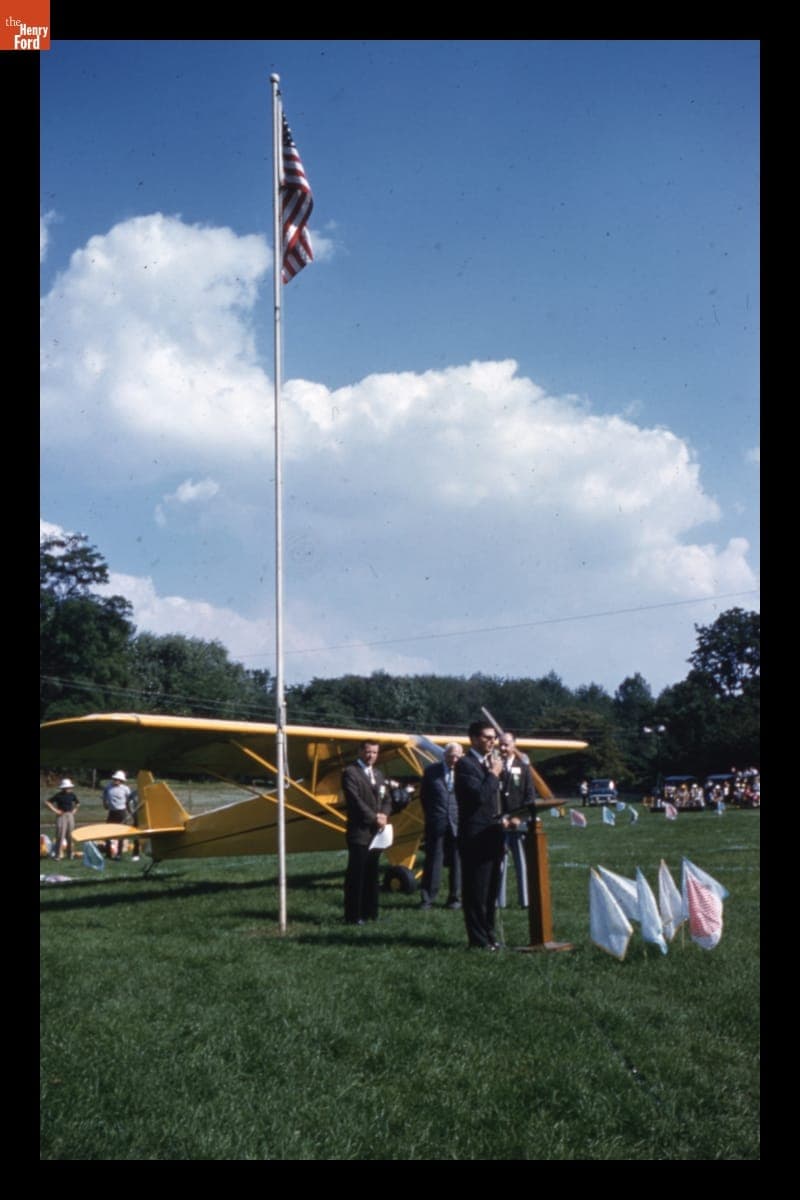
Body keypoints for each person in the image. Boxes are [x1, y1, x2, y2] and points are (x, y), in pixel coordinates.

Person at [454, 720, 520, 950]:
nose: (492, 741)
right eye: (486, 737)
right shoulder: (465, 765)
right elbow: (479, 796)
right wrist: (493, 773)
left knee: (491, 891)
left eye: (493, 737)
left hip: (494, 833)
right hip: (475, 836)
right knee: (476, 891)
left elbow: (498, 797)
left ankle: (490, 936)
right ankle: (478, 940)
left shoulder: (491, 763)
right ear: (472, 739)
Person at [342, 741, 393, 925]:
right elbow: (354, 801)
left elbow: (387, 798)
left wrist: (384, 815)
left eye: (375, 752)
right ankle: (353, 915)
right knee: (357, 874)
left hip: (377, 833)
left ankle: (371, 912)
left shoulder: (378, 774)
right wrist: (374, 817)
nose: (371, 755)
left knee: (372, 874)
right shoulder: (350, 772)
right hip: (360, 832)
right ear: (360, 751)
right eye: (368, 751)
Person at [419, 742, 463, 910]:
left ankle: (455, 898)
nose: (454, 759)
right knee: (433, 860)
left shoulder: (464, 772)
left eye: (458, 756)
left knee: (457, 862)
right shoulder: (431, 771)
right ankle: (427, 898)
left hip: (458, 823)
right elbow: (424, 797)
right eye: (451, 755)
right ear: (444, 755)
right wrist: (431, 815)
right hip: (436, 822)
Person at [497, 731, 535, 908]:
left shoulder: (524, 767)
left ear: (514, 745)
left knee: (522, 864)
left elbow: (529, 797)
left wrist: (520, 818)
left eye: (506, 744)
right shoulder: (494, 767)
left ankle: (525, 901)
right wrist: (500, 819)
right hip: (500, 823)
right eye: (501, 744)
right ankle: (500, 901)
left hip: (518, 824)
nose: (503, 748)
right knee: (500, 866)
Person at [44, 778, 80, 861]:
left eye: (69, 787)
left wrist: (74, 810)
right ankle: (58, 855)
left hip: (70, 815)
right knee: (60, 835)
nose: (68, 788)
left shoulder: (72, 795)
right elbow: (47, 802)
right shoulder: (58, 795)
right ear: (63, 788)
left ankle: (70, 854)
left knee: (70, 835)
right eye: (67, 787)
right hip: (61, 816)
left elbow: (78, 803)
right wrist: (55, 811)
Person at [102, 769, 132, 860]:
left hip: (121, 812)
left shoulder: (125, 789)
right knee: (107, 833)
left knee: (121, 835)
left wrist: (129, 811)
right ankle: (108, 853)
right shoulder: (108, 787)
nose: (116, 781)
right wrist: (105, 804)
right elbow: (104, 797)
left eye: (118, 779)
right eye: (115, 779)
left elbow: (129, 801)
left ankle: (119, 854)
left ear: (121, 780)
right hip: (112, 812)